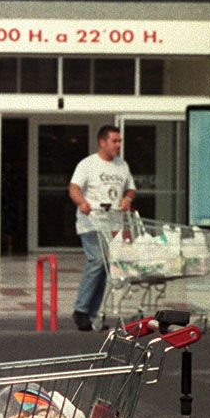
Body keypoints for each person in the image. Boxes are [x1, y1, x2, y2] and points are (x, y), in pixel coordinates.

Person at [68, 124, 136, 330]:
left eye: (120, 141)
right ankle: (80, 310)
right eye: (114, 141)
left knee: (106, 268)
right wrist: (82, 202)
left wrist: (127, 199)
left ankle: (92, 314)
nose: (118, 145)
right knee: (97, 260)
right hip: (91, 222)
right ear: (102, 142)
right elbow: (74, 188)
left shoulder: (122, 165)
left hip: (112, 224)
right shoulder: (88, 164)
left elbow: (131, 189)